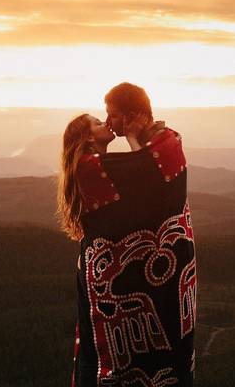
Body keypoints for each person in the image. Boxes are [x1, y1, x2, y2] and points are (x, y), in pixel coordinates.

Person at [58, 83, 196, 387]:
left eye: (109, 115)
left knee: (96, 344)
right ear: (86, 139)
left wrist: (134, 139)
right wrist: (135, 139)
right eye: (98, 121)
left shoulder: (107, 165)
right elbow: (151, 178)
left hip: (100, 271)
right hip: (103, 276)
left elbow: (144, 178)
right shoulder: (89, 168)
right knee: (98, 347)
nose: (106, 121)